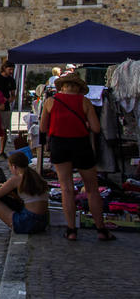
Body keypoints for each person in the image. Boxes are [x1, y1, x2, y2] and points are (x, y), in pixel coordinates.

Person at [39, 73, 116, 242]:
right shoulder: (85, 102)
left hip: (60, 145)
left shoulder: (51, 101)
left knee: (66, 188)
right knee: (92, 189)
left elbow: (43, 127)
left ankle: (71, 230)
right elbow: (96, 128)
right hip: (81, 145)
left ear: (62, 86)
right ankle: (101, 230)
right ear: (79, 88)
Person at [0, 61, 17, 159]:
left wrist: (9, 100)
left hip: (5, 107)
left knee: (4, 130)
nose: (11, 71)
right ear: (4, 68)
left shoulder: (11, 80)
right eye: (9, 69)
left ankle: (2, 151)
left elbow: (13, 94)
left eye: (12, 69)